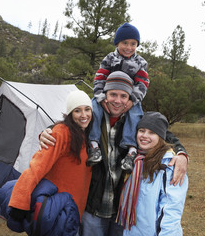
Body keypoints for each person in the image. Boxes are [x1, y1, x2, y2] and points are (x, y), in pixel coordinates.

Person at [39, 73, 188, 236]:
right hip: (93, 205)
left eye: (123, 96)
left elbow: (162, 132)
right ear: (105, 95)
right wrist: (48, 130)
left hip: (122, 209)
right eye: (113, 94)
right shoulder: (91, 118)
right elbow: (69, 123)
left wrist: (181, 153)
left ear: (129, 98)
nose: (118, 101)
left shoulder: (135, 122)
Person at [8, 90, 93, 234]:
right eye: (77, 110)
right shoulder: (62, 133)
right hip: (55, 212)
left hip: (73, 212)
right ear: (70, 114)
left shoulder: (85, 134)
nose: (84, 115)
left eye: (87, 109)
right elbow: (37, 167)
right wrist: (19, 202)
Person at [88, 22, 149, 174]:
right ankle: (94, 144)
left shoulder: (140, 62)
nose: (129, 47)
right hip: (108, 95)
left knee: (135, 116)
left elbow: (143, 83)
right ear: (117, 43)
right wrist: (101, 97)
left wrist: (132, 100)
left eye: (133, 44)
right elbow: (100, 78)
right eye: (125, 43)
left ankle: (131, 150)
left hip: (129, 98)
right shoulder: (109, 58)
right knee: (93, 108)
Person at [117, 112, 188, 235]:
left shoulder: (168, 166)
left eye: (152, 132)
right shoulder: (137, 160)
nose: (145, 136)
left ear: (161, 137)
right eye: (142, 130)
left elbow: (171, 212)